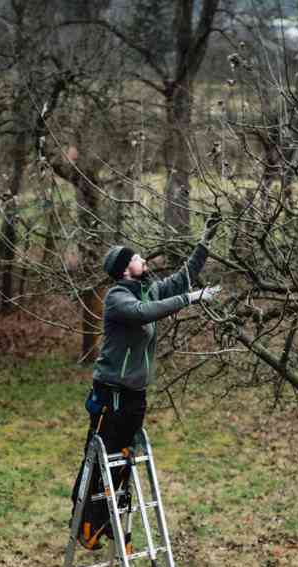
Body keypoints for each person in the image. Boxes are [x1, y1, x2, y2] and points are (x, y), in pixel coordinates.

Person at [72, 214, 222, 549]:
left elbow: (182, 278)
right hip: (111, 394)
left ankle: (112, 524)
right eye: (138, 258)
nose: (144, 260)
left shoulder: (147, 290)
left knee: (124, 460)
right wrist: (192, 299)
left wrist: (205, 240)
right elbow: (144, 313)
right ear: (126, 269)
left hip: (136, 394)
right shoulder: (118, 298)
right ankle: (84, 522)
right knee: (100, 459)